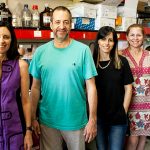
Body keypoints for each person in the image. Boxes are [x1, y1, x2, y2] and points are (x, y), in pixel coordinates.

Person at [29, 6, 97, 150]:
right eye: (58, 22)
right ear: (51, 24)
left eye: (66, 22)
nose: (62, 26)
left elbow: (91, 87)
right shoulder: (40, 52)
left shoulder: (83, 50)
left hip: (75, 121)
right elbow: (35, 87)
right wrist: (32, 118)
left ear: (70, 25)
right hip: (48, 121)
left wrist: (92, 119)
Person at [93, 26, 133, 150]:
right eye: (104, 39)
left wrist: (124, 110)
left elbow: (128, 88)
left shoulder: (122, 62)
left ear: (114, 42)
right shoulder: (91, 63)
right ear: (98, 41)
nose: (107, 43)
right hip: (98, 118)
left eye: (110, 40)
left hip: (118, 118)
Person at [0, 21, 32, 150]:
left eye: (6, 37)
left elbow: (25, 101)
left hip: (15, 128)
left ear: (12, 40)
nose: (2, 41)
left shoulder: (21, 66)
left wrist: (28, 131)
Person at [121, 24, 150, 150]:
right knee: (133, 139)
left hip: (148, 104)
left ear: (143, 37)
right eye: (132, 35)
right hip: (129, 103)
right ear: (127, 37)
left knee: (143, 137)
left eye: (139, 35)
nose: (135, 38)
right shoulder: (120, 55)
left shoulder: (149, 55)